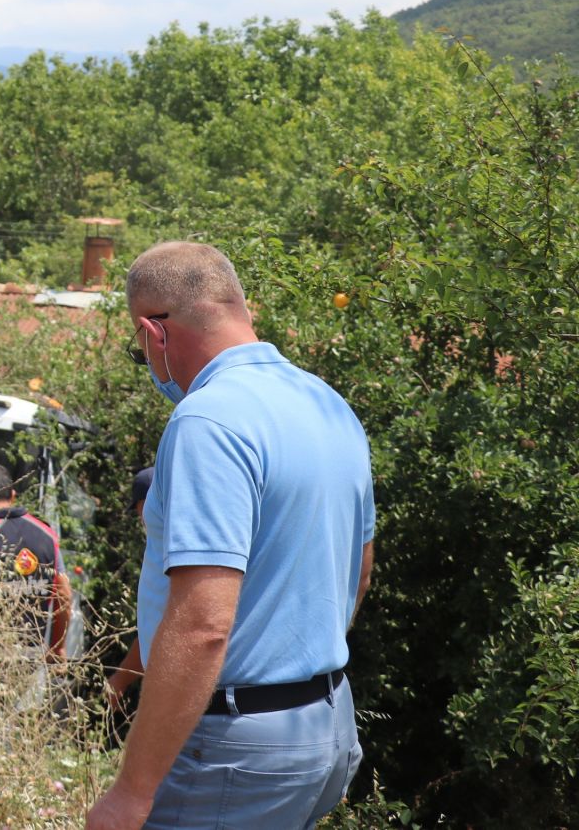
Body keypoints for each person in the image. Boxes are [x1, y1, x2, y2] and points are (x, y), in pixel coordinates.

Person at [87, 241, 374, 830]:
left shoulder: (207, 421)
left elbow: (201, 626)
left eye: (140, 344)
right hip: (324, 723)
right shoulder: (327, 403)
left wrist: (131, 792)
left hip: (236, 750)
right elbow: (359, 569)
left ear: (154, 332)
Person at [0, 463, 73, 670]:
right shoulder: (47, 535)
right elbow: (64, 595)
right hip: (30, 657)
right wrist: (57, 647)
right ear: (13, 495)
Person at [105, 466, 154, 714]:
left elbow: (154, 633)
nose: (140, 521)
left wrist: (120, 680)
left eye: (138, 513)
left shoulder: (166, 552)